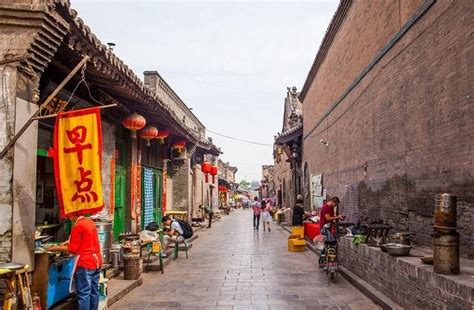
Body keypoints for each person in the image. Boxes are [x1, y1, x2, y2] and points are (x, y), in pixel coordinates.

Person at [49, 214, 102, 310]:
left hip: (86, 262)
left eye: (69, 216)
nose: (69, 218)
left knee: (84, 293)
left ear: (73, 215)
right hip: (96, 261)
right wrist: (67, 241)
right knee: (94, 291)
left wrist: (57, 248)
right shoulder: (89, 222)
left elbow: (73, 249)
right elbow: (84, 240)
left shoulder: (78, 226)